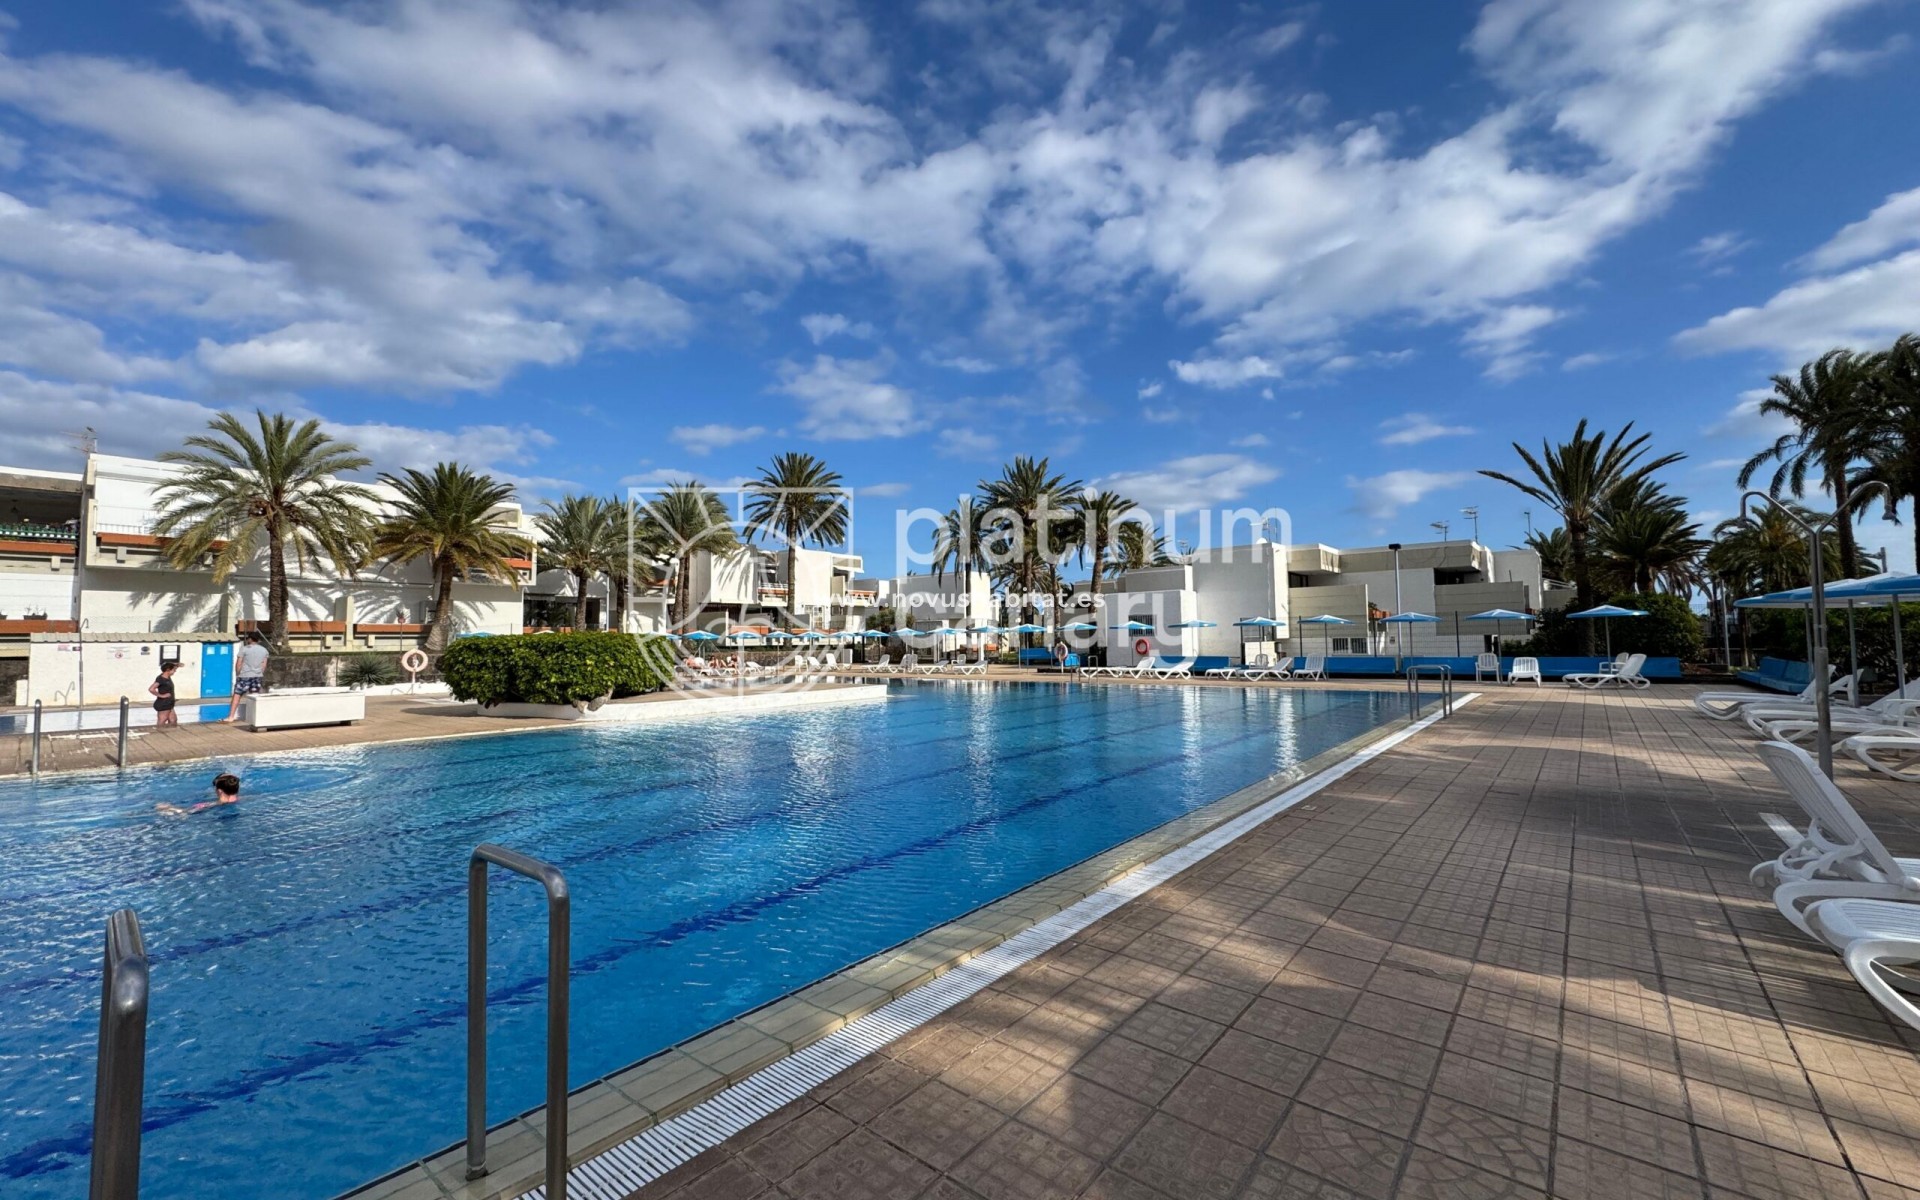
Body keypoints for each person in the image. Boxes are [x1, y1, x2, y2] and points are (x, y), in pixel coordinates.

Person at [225, 632, 269, 723]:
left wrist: (238, 674)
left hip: (244, 676)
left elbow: (238, 663)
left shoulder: (244, 649)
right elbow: (264, 665)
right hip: (257, 676)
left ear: (250, 639)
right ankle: (254, 718)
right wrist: (259, 673)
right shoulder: (264, 650)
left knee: (237, 696)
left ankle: (231, 717)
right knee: (254, 697)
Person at [157, 772, 241, 817]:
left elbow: (185, 812)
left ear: (219, 791)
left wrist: (169, 807)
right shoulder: (248, 799)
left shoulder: (207, 805)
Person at [149, 659, 179, 727]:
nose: (174, 672)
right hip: (163, 704)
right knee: (162, 720)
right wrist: (162, 696)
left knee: (173, 720)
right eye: (173, 670)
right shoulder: (161, 679)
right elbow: (151, 689)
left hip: (169, 703)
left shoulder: (167, 677)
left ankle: (170, 734)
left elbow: (172, 666)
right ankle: (158, 733)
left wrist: (177, 665)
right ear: (168, 670)